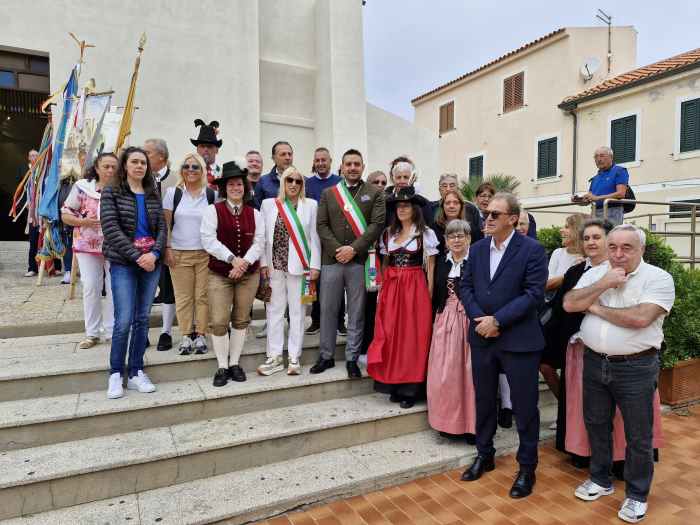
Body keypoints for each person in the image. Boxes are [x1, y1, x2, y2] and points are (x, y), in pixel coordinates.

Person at [564, 224, 674, 524]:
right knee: (596, 424)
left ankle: (637, 495)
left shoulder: (658, 278)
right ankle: (600, 480)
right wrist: (603, 284)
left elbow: (640, 318)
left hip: (636, 366)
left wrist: (595, 308)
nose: (618, 254)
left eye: (627, 248)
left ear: (641, 249)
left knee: (639, 435)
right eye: (612, 247)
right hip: (594, 361)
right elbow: (570, 303)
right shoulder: (596, 273)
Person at [459, 192, 548, 499]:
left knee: (524, 408)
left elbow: (534, 294)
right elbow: (465, 286)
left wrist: (498, 320)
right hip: (482, 338)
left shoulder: (533, 250)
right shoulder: (478, 248)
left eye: (496, 214)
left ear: (513, 218)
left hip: (519, 340)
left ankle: (527, 468)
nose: (489, 218)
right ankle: (484, 455)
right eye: (487, 214)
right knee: (484, 400)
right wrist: (479, 319)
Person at [312, 149, 385, 378]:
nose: (352, 168)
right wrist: (338, 250)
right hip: (331, 261)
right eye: (348, 164)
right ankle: (326, 356)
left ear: (363, 167)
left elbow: (377, 225)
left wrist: (353, 249)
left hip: (359, 261)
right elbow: (321, 225)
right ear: (341, 167)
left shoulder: (374, 193)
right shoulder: (328, 193)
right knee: (328, 310)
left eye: (357, 164)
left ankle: (352, 358)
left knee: (356, 313)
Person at [545, 218, 612, 464]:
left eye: (597, 237)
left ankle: (605, 456)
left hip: (603, 348)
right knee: (577, 400)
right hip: (575, 347)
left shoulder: (614, 270)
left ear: (608, 240)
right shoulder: (574, 271)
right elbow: (561, 308)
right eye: (587, 238)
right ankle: (579, 450)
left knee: (601, 407)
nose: (591, 243)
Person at [101, 147, 165, 399]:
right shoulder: (112, 191)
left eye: (143, 163)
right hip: (124, 263)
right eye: (135, 162)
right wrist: (138, 256)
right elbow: (111, 228)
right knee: (124, 319)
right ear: (125, 166)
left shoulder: (152, 192)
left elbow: (162, 227)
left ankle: (137, 370)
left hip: (151, 262)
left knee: (142, 318)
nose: (140, 166)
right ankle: (116, 373)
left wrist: (155, 254)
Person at [367, 188, 438, 408]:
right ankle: (394, 384)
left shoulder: (425, 234)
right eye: (399, 206)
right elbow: (385, 263)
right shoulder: (388, 234)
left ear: (415, 209)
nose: (402, 209)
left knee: (413, 338)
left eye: (406, 205)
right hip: (392, 286)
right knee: (392, 335)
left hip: (415, 287)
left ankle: (411, 389)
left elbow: (432, 269)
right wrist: (381, 290)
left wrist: (429, 298)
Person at [201, 159, 265, 386]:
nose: (236, 188)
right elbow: (208, 240)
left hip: (248, 274)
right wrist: (232, 259)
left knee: (241, 319)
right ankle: (222, 366)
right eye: (231, 185)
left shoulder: (254, 213)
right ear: (224, 188)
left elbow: (259, 242)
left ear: (244, 188)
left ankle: (235, 363)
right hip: (219, 273)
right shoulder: (213, 211)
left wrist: (244, 263)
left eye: (239, 184)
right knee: (218, 320)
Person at [258, 166, 321, 376]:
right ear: (283, 183)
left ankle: (294, 356)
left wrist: (315, 266)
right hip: (275, 267)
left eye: (298, 181)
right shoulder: (269, 205)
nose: (293, 184)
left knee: (297, 312)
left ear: (302, 185)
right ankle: (274, 356)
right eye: (289, 180)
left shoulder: (310, 205)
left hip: (300, 269)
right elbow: (262, 237)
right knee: (274, 312)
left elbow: (314, 238)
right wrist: (263, 263)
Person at [61, 152, 117, 349]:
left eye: (113, 167)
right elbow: (66, 214)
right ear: (97, 167)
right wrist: (83, 221)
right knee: (91, 286)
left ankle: (111, 332)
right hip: (87, 244)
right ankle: (92, 333)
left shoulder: (121, 189)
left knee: (114, 288)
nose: (110, 170)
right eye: (106, 166)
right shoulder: (83, 188)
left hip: (116, 245)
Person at [427, 219, 476, 441]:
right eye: (452, 236)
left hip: (468, 321)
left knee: (469, 374)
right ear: (446, 241)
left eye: (461, 236)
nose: (456, 240)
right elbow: (435, 293)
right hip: (444, 321)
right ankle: (446, 423)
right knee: (445, 374)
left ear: (469, 239)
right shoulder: (442, 263)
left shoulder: (475, 262)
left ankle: (471, 425)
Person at [162, 153, 215, 355]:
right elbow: (165, 224)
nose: (190, 170)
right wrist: (167, 249)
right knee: (183, 297)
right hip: (179, 253)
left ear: (202, 170)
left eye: (195, 167)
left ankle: (200, 334)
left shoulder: (210, 195)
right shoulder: (172, 193)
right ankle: (186, 335)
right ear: (181, 169)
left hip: (204, 253)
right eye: (187, 166)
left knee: (202, 297)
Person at [540, 214, 586, 398]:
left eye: (567, 226)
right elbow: (546, 284)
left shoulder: (588, 258)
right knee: (545, 365)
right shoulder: (559, 253)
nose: (562, 230)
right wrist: (570, 273)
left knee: (574, 370)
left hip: (577, 321)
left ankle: (574, 414)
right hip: (555, 318)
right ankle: (564, 408)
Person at [305, 147, 343, 336]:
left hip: (335, 240)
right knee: (314, 281)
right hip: (313, 240)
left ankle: (339, 322)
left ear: (330, 161)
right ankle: (316, 320)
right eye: (317, 160)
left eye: (324, 160)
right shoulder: (306, 183)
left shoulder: (340, 182)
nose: (320, 163)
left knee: (338, 280)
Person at [142, 138, 176, 351]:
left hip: (168, 242)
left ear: (161, 157)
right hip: (143, 243)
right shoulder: (138, 178)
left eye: (148, 153)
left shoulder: (176, 180)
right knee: (145, 288)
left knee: (168, 287)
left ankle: (166, 331)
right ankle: (142, 331)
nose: (143, 157)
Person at [361, 170, 388, 355]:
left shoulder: (392, 207)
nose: (380, 185)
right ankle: (364, 347)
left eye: (383, 182)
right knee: (366, 308)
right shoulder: (361, 205)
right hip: (364, 260)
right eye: (375, 181)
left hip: (386, 262)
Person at [574, 146, 629, 226]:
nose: (598, 159)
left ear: (611, 157)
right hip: (595, 212)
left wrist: (597, 198)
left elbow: (621, 193)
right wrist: (579, 200)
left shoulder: (619, 171)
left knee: (609, 237)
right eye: (596, 157)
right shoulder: (595, 178)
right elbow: (589, 200)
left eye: (602, 156)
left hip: (612, 211)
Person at [426, 174, 482, 248]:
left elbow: (478, 237)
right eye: (444, 186)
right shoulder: (430, 208)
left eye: (452, 186)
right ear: (439, 190)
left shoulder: (471, 209)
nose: (448, 189)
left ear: (458, 189)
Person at [429, 189, 478, 255]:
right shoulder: (433, 229)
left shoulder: (471, 229)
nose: (451, 206)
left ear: (461, 206)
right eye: (447, 203)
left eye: (456, 203)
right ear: (442, 206)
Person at [254, 141, 293, 209]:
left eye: (290, 154)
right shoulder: (263, 182)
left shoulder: (303, 181)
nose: (287, 157)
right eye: (283, 154)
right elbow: (258, 210)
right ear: (273, 158)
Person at [190, 119, 222, 190]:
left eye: (209, 146)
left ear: (216, 150)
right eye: (202, 146)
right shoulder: (188, 173)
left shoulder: (223, 174)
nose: (206, 149)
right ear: (197, 149)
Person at [24, 149, 40, 277]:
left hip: (43, 211)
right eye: (32, 155)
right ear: (28, 158)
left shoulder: (44, 171)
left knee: (48, 238)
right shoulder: (27, 173)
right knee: (33, 240)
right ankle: (32, 268)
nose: (34, 157)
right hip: (32, 213)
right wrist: (28, 203)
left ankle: (55, 267)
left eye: (36, 155)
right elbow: (25, 191)